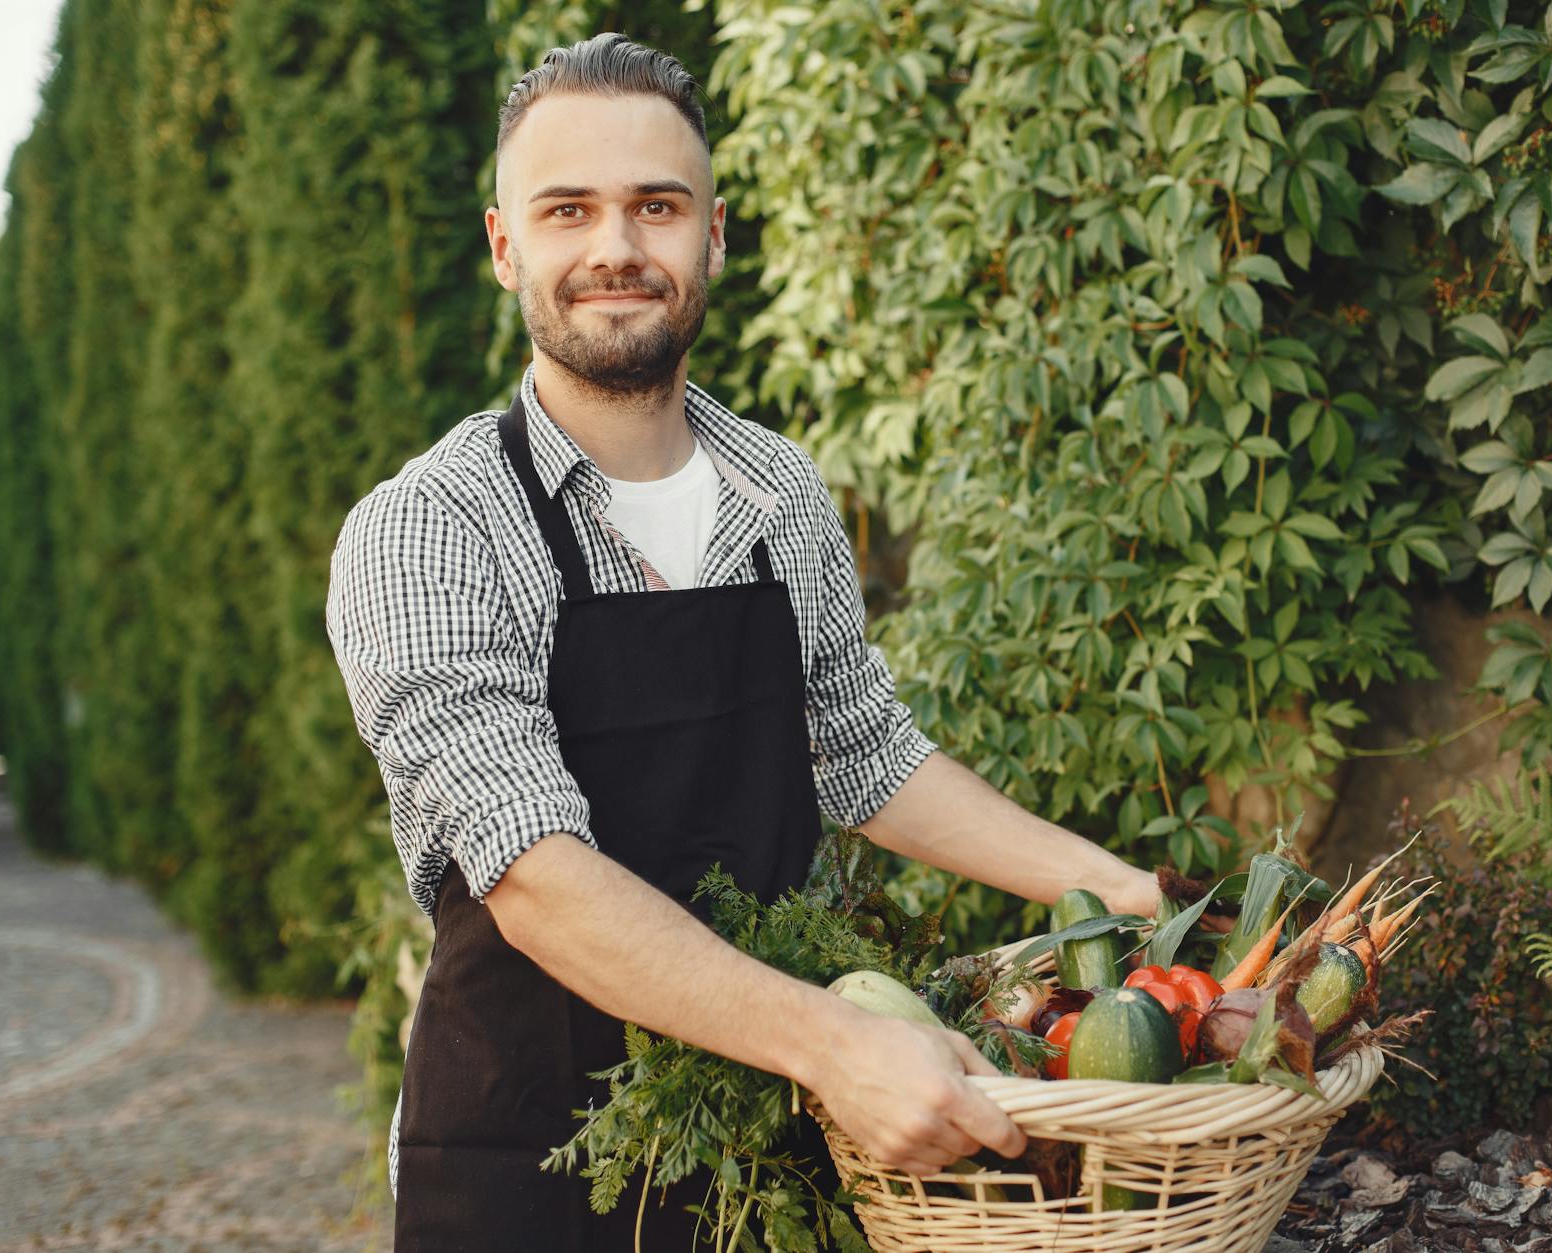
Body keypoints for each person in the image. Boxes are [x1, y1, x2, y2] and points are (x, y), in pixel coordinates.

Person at [324, 32, 1160, 1252]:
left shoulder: (778, 489)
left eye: (656, 206)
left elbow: (865, 754)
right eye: (569, 210)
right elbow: (534, 878)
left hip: (773, 1148)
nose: (615, 247)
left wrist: (1122, 895)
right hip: (523, 1157)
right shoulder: (426, 528)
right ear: (507, 248)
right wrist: (837, 1043)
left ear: (710, 238)